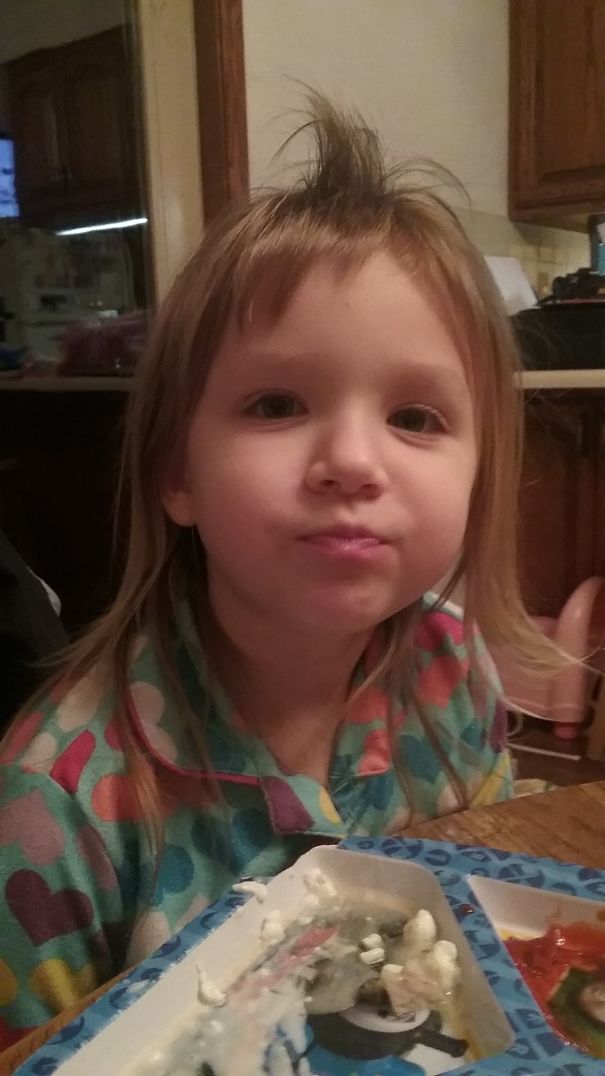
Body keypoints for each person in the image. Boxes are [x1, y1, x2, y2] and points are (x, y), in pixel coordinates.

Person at [0, 97, 552, 1049]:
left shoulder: (453, 671)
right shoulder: (59, 805)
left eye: (416, 417)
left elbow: (482, 927)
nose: (353, 460)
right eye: (277, 403)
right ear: (178, 472)